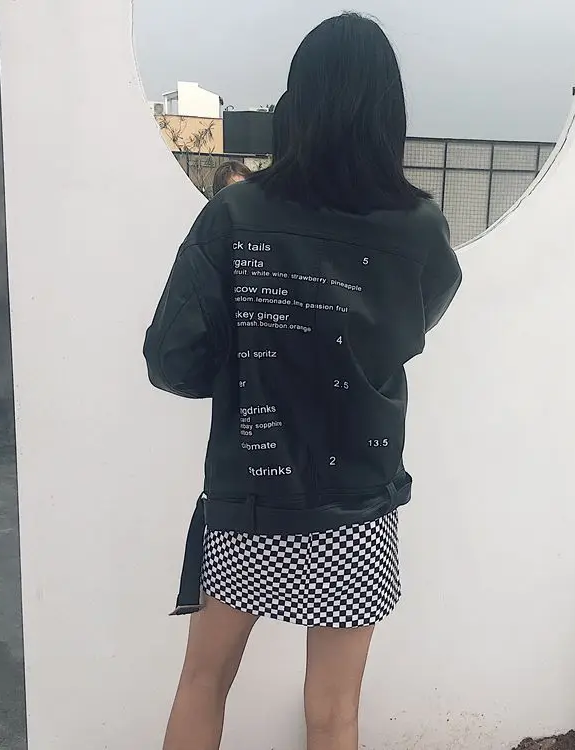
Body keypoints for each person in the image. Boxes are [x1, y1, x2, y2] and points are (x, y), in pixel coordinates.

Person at [143, 12, 461, 750]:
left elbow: (171, 359)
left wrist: (252, 364)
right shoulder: (419, 229)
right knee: (335, 712)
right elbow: (410, 329)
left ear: (298, 102)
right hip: (356, 505)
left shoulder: (236, 214)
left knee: (201, 684)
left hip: (250, 494)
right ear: (389, 111)